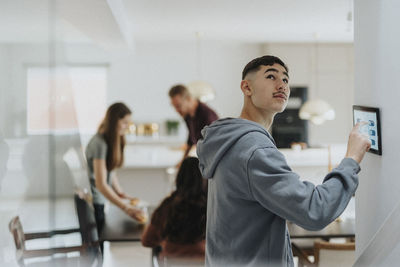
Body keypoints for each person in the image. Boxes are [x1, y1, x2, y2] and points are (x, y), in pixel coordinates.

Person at [196, 55, 371, 267]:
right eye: (271, 76)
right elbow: (315, 210)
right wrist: (351, 158)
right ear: (247, 87)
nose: (282, 85)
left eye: (286, 80)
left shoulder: (229, 141)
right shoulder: (254, 149)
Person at [85, 103, 144, 240]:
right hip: (94, 203)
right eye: (124, 123)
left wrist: (120, 192)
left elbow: (110, 172)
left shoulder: (107, 141)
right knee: (98, 246)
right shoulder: (99, 144)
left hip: (100, 201)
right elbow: (101, 184)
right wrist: (126, 208)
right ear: (113, 121)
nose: (127, 126)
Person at [141, 157, 207, 259]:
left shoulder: (168, 206)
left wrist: (165, 242)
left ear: (179, 178)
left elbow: (147, 241)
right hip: (202, 262)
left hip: (170, 262)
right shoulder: (210, 208)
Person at [169, 84, 218, 165]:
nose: (177, 110)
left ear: (188, 99)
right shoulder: (187, 115)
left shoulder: (207, 116)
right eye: (174, 107)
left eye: (178, 106)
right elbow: (190, 140)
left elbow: (212, 145)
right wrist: (183, 161)